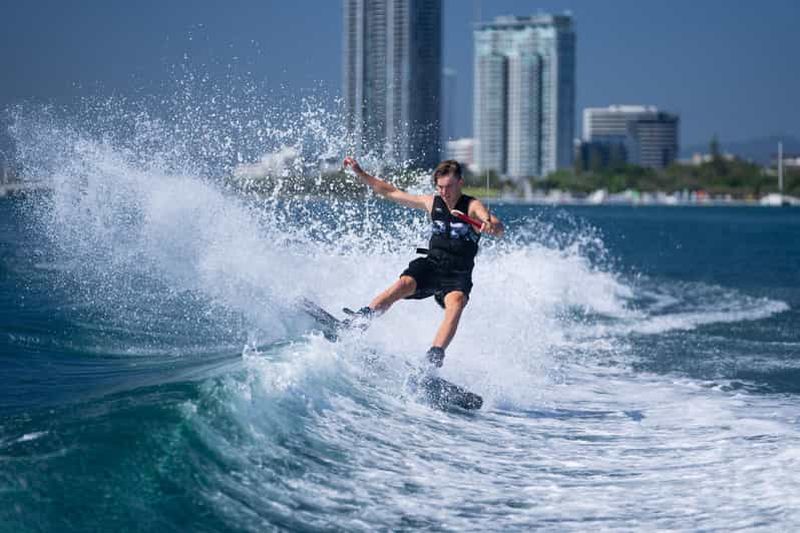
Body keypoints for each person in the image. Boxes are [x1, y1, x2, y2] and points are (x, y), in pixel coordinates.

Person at [342, 156, 504, 368]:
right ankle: (359, 321)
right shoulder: (431, 202)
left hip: (458, 274)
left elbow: (495, 225)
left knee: (456, 303)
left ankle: (433, 358)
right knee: (403, 284)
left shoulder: (472, 206)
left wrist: (491, 225)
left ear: (460, 183)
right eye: (440, 187)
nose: (444, 192)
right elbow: (390, 191)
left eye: (448, 187)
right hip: (432, 265)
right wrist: (361, 173)